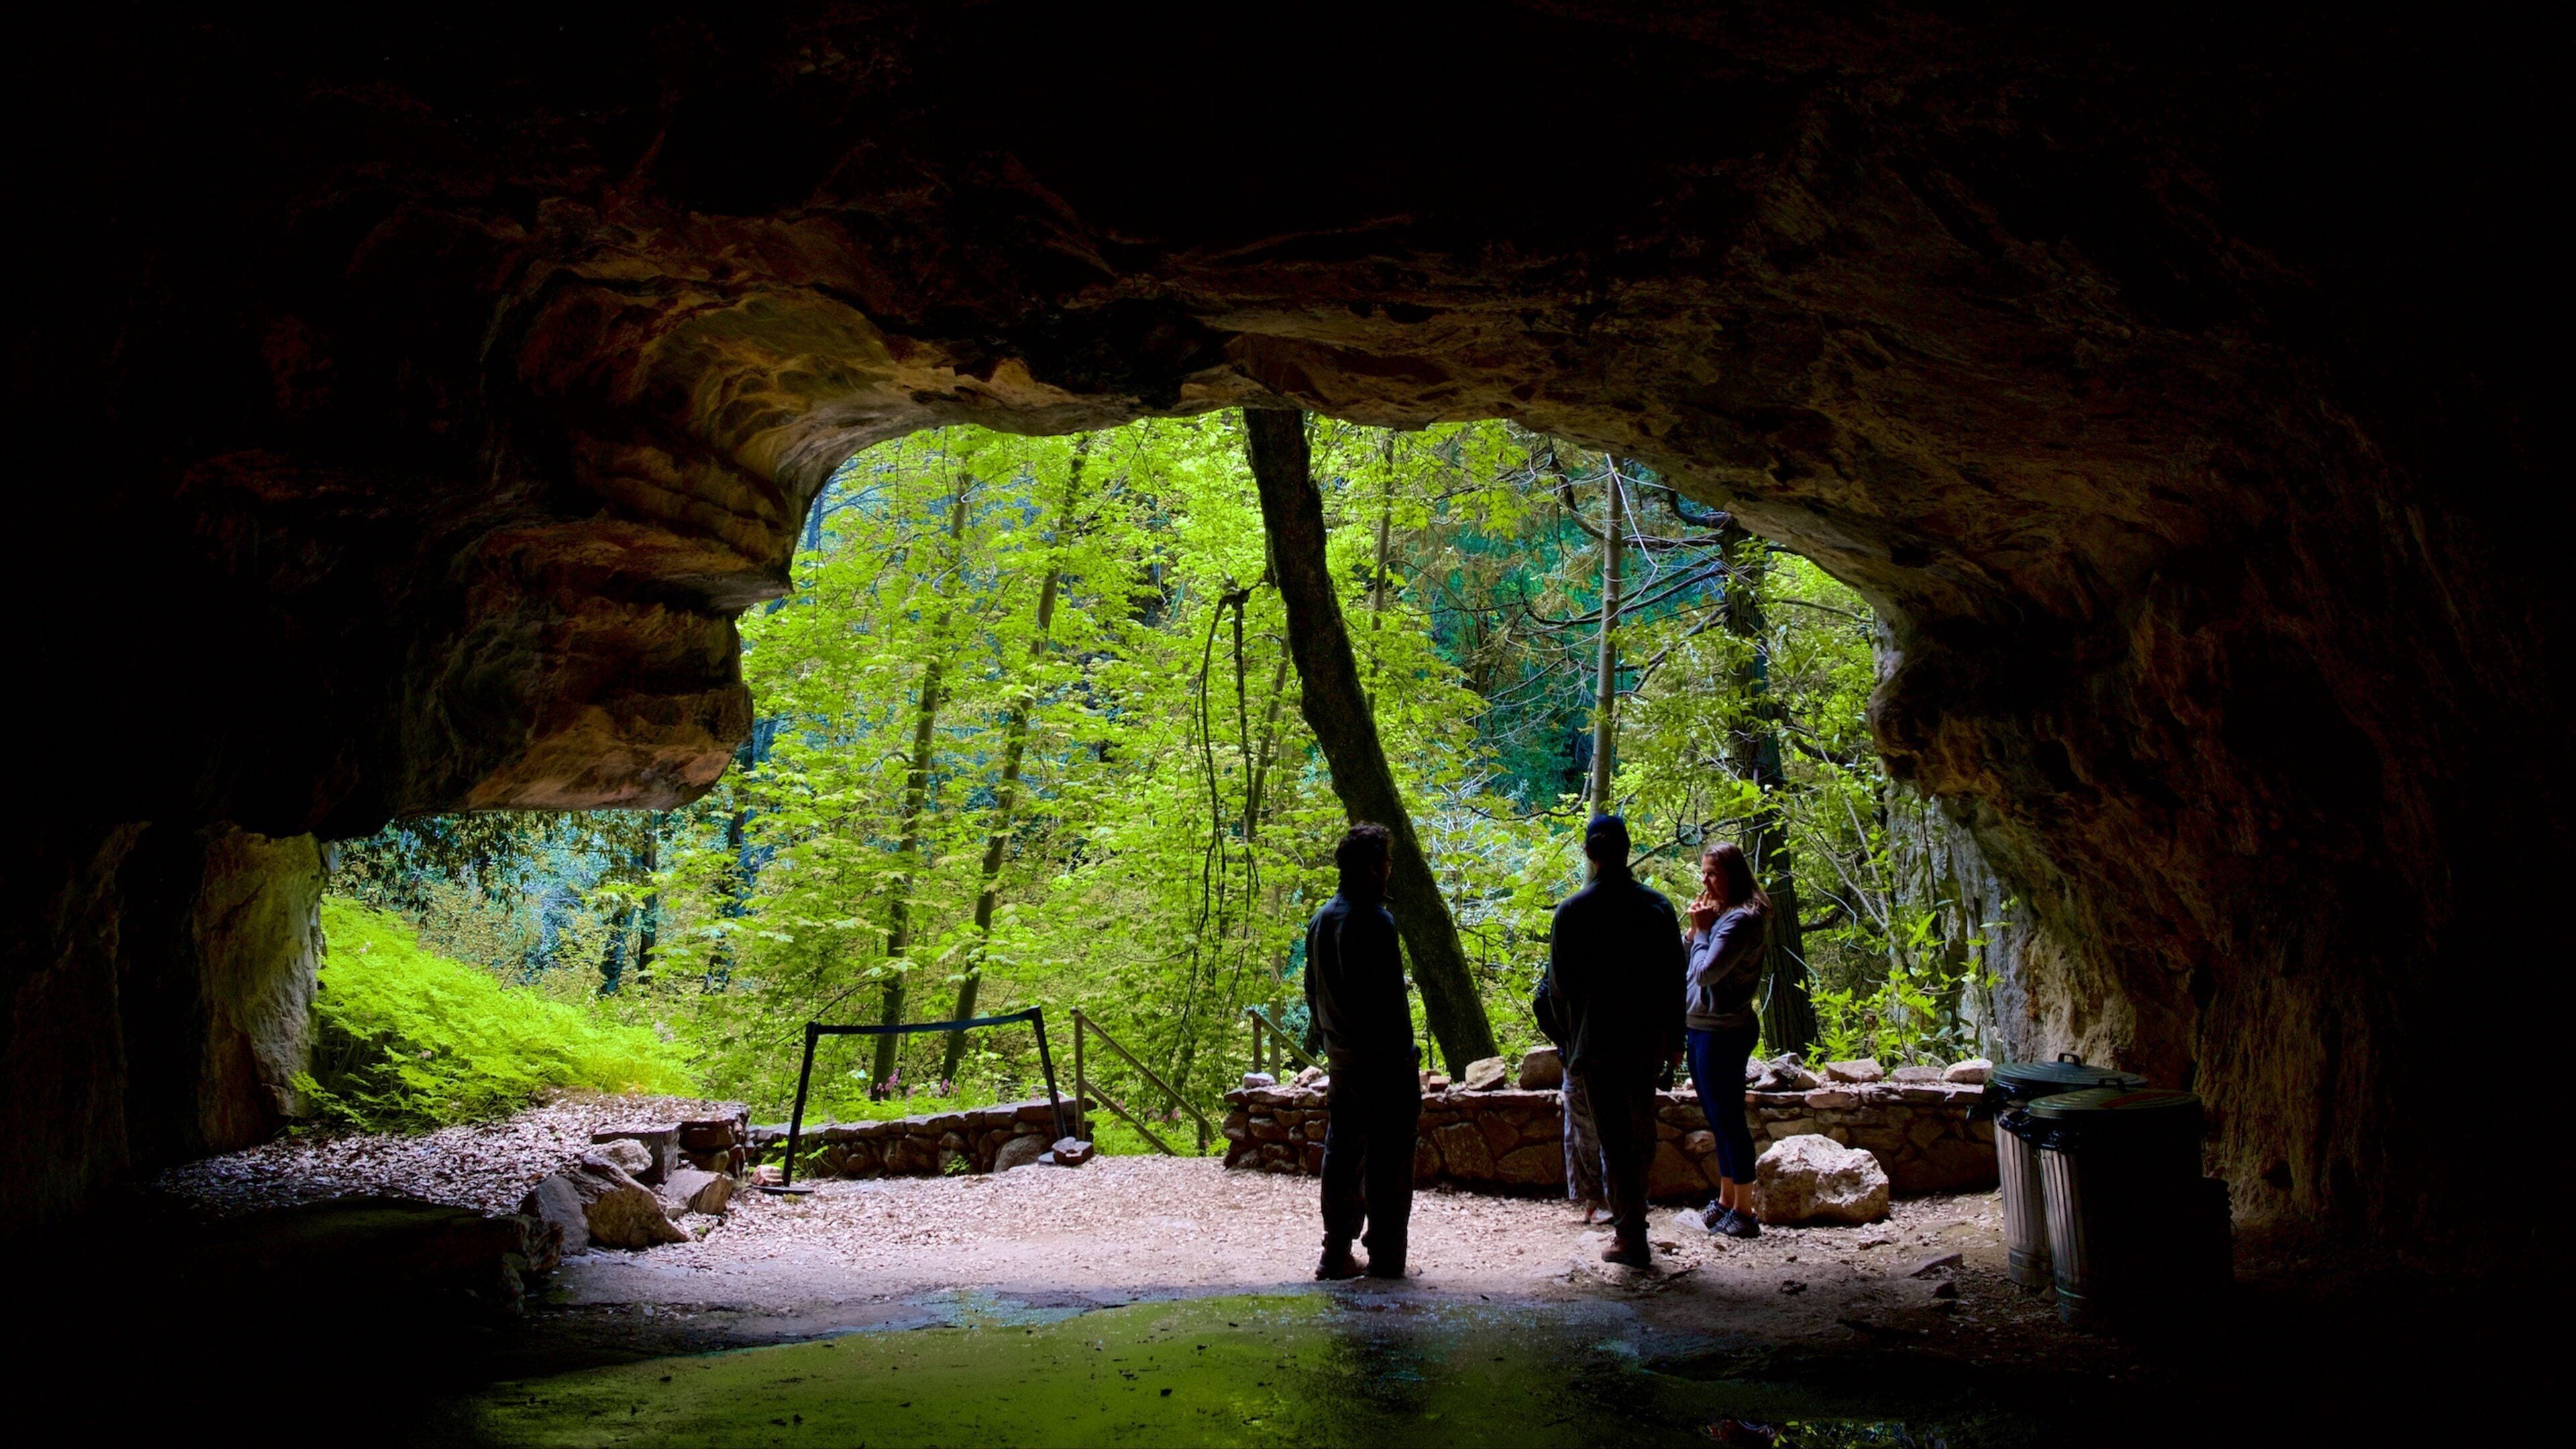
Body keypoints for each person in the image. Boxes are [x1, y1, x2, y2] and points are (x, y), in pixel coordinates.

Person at [1545, 813, 1686, 1267]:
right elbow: (1673, 981)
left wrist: (1572, 1040)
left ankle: (1631, 1235)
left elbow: (1559, 987)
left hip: (1598, 1042)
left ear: (1590, 854)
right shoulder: (1657, 908)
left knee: (1613, 1138)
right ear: (1628, 850)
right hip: (1645, 1038)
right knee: (1641, 1131)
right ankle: (1634, 1224)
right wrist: (1674, 1037)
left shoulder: (1572, 912)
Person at [1303, 822, 1421, 1280]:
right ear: (1374, 868)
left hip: (1344, 1063)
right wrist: (1405, 1060)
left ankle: (1335, 1252)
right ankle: (1387, 1255)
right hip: (1383, 1065)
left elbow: (1312, 993)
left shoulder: (1320, 920)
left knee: (1342, 1153)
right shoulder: (1375, 921)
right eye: (1387, 862)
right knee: (1390, 1160)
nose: (1391, 870)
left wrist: (1334, 1046)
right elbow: (1391, 1005)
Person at [1682, 841, 1772, 1239]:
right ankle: (1725, 1200)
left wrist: (1701, 933)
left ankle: (1746, 1211)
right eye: (1703, 873)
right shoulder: (1723, 915)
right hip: (1703, 1025)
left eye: (1712, 874)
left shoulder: (1741, 920)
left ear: (1732, 875)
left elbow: (1705, 974)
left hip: (1724, 1030)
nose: (1705, 881)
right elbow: (1693, 958)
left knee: (1730, 1119)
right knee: (1718, 1119)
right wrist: (1694, 934)